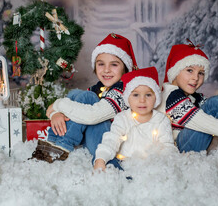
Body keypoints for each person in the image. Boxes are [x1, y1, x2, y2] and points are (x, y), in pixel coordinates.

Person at [31, 33, 138, 163]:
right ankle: (52, 144)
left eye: (114, 65)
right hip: (93, 139)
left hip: (112, 146)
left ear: (125, 68)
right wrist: (56, 113)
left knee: (86, 97)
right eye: (101, 64)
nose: (106, 70)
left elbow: (92, 116)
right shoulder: (97, 88)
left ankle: (61, 145)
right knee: (76, 94)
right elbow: (51, 110)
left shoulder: (125, 91)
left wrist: (59, 104)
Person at [94, 67, 175, 171]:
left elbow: (167, 147)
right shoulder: (122, 118)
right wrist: (101, 159)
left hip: (150, 166)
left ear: (156, 97)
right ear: (128, 98)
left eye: (148, 95)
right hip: (124, 162)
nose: (142, 100)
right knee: (111, 165)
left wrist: (163, 164)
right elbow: (111, 140)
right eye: (136, 95)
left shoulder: (161, 120)